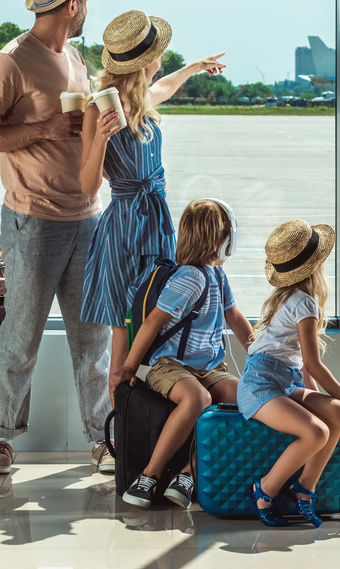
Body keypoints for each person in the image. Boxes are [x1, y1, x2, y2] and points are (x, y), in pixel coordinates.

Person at [0, 0, 114, 474]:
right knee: (21, 334)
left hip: (88, 218)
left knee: (92, 337)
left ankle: (103, 437)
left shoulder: (75, 59)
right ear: (72, 4)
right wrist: (43, 131)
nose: (89, 5)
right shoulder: (11, 60)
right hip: (33, 220)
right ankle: (0, 437)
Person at [76, 9, 226, 393]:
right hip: (124, 227)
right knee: (124, 330)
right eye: (159, 56)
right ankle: (121, 438)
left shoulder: (144, 98)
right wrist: (100, 140)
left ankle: (160, 415)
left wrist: (194, 67)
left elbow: (168, 86)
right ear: (144, 63)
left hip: (156, 222)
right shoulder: (98, 109)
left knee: (156, 317)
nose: (162, 63)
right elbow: (88, 187)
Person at [114, 200, 255, 508]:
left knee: (245, 398)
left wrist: (257, 353)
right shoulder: (190, 277)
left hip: (209, 367)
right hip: (170, 365)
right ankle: (149, 476)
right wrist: (128, 368)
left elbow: (234, 316)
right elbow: (152, 323)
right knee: (198, 399)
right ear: (220, 238)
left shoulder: (217, 275)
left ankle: (189, 472)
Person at [238, 218, 340, 528]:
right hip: (260, 386)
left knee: (335, 412)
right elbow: (313, 363)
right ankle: (265, 490)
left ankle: (304, 488)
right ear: (316, 267)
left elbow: (300, 366)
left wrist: (335, 402)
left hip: (284, 381)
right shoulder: (305, 304)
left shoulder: (287, 298)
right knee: (317, 431)